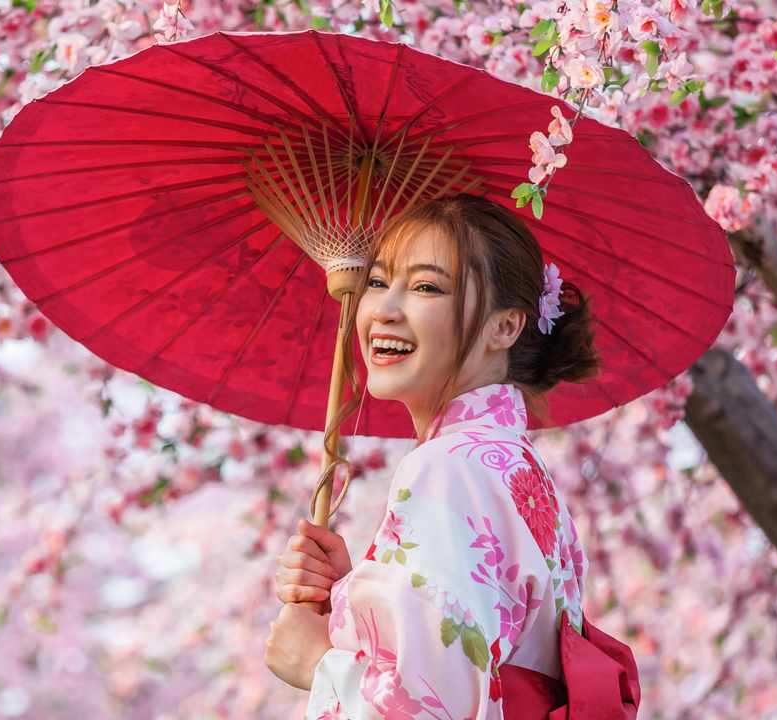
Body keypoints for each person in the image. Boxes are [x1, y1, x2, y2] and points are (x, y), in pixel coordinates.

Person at [262, 192, 640, 719]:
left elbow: (435, 706)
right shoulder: (509, 463)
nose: (384, 310)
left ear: (504, 327)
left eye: (425, 287)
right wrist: (355, 599)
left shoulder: (449, 467)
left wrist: (318, 664)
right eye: (377, 280)